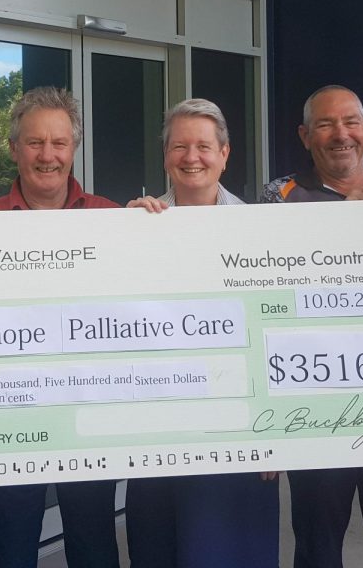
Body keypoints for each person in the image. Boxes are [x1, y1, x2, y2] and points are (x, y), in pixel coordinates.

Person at [261, 84, 363, 568]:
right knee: (316, 547)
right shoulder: (279, 197)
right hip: (314, 408)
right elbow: (269, 302)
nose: (341, 134)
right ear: (305, 135)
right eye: (326, 124)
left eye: (351, 121)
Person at [125, 98, 280, 568]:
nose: (192, 157)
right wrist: (120, 240)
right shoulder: (132, 226)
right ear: (166, 155)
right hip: (158, 425)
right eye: (179, 146)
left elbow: (271, 330)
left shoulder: (261, 231)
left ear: (225, 153)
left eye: (204, 146)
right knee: (162, 549)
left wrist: (278, 436)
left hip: (238, 428)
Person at [0, 86, 120, 568]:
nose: (48, 155)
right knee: (6, 550)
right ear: (14, 150)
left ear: (73, 149)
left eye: (59, 143)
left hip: (90, 412)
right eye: (35, 143)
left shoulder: (115, 220)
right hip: (7, 419)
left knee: (95, 547)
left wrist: (150, 233)